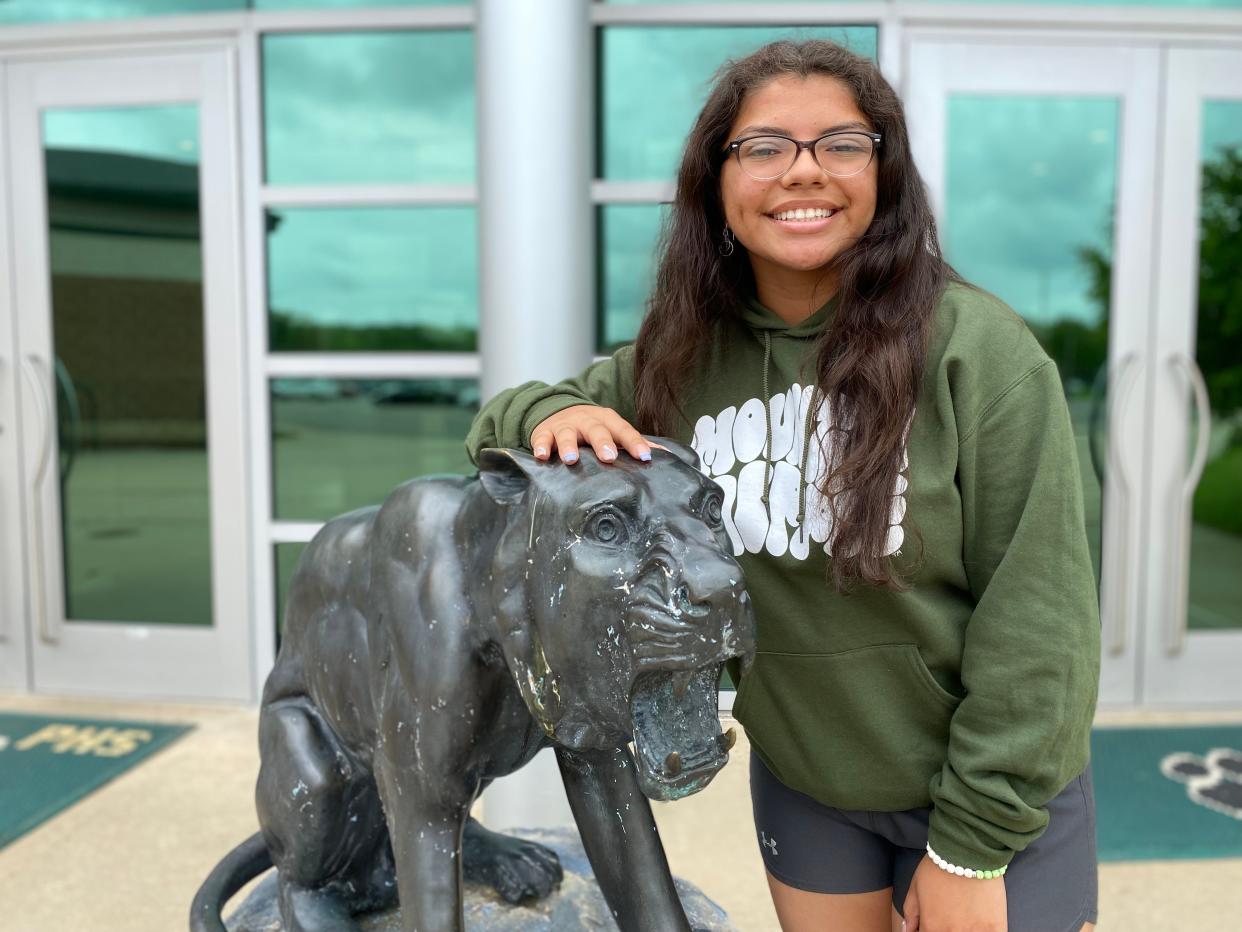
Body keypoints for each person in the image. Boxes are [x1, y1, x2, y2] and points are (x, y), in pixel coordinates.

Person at [464, 39, 1100, 932]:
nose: (805, 173)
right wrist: (540, 417)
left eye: (841, 143)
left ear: (884, 174)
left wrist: (973, 843)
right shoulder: (680, 361)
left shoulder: (977, 352)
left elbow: (1043, 621)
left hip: (988, 798)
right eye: (764, 147)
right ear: (717, 183)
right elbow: (510, 420)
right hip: (810, 785)